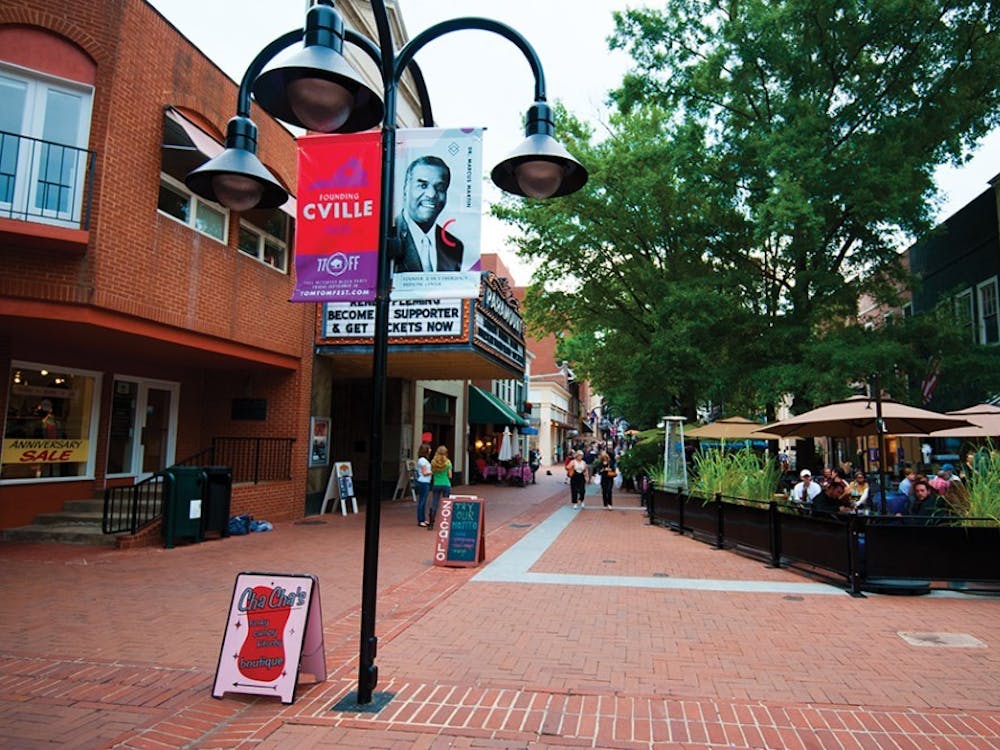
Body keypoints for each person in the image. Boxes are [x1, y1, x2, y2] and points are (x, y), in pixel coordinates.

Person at [393, 155, 464, 272]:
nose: (431, 194)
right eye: (423, 185)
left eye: (440, 188)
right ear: (405, 189)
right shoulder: (387, 234)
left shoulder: (454, 247)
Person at [427, 445, 453, 528]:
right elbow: (450, 475)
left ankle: (431, 522)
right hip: (446, 484)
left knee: (435, 502)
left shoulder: (433, 462)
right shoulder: (448, 462)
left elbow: (432, 472)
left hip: (436, 484)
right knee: (446, 503)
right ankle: (445, 522)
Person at [415, 443, 433, 527]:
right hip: (423, 482)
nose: (430, 450)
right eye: (429, 449)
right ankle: (420, 520)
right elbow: (425, 473)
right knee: (422, 501)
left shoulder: (423, 460)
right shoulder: (422, 460)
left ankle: (422, 519)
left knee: (424, 501)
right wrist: (432, 471)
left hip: (425, 482)